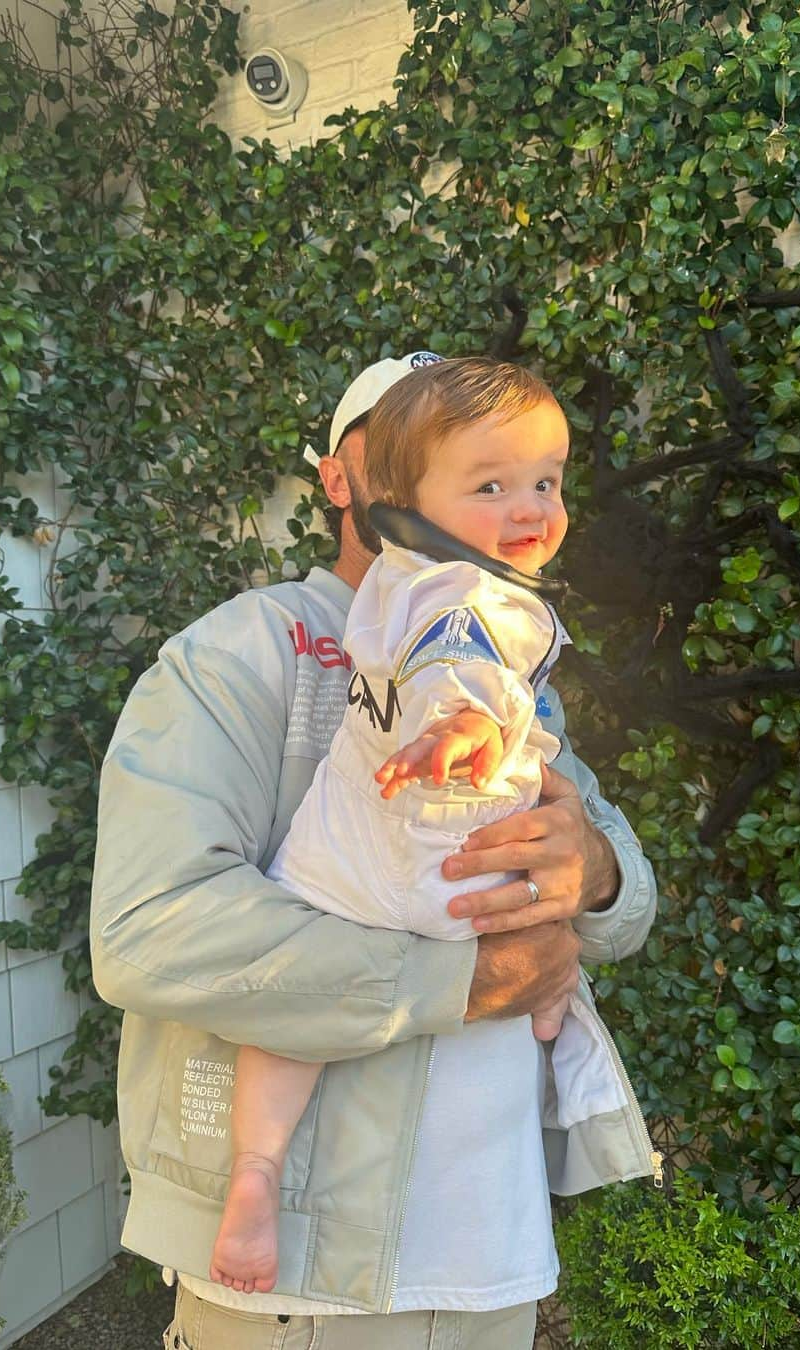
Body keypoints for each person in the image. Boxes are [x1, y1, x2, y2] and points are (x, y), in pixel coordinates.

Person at [90, 347, 659, 1350]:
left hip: (492, 1252)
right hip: (303, 1279)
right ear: (354, 479)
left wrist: (596, 872)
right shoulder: (240, 653)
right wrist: (460, 980)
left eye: (518, 473)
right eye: (453, 466)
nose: (500, 500)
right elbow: (147, 933)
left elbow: (622, 901)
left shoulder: (516, 668)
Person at [209, 357, 580, 1294]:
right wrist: (463, 728)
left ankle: (253, 1166)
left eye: (544, 481)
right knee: (528, 938)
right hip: (445, 880)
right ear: (360, 482)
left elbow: (614, 870)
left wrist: (599, 870)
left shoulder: (404, 583)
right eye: (488, 483)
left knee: (283, 1042)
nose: (529, 506)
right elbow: (468, 667)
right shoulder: (471, 599)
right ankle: (546, 1001)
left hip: (342, 856)